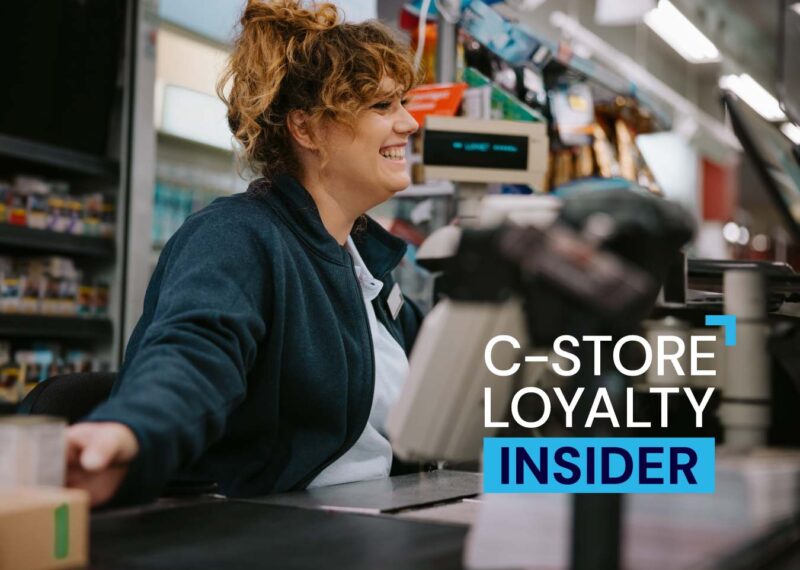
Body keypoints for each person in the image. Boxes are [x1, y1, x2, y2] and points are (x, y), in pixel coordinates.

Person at [65, 0, 424, 507]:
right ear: (306, 129)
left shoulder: (368, 267)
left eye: (403, 102)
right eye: (383, 106)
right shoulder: (238, 236)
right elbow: (194, 353)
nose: (410, 123)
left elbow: (447, 378)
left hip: (373, 522)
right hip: (268, 536)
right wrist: (129, 430)